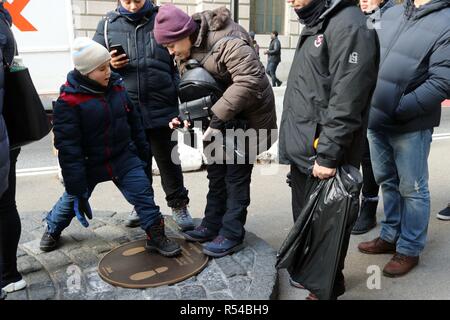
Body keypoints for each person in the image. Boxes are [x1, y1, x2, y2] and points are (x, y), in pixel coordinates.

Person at [153, 5, 277, 258]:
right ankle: (212, 224)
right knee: (216, 174)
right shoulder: (184, 50)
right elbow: (197, 88)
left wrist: (217, 117)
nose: (170, 52)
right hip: (217, 123)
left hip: (246, 121)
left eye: (171, 45)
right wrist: (184, 116)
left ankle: (232, 234)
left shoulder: (229, 40)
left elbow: (249, 80)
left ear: (185, 33)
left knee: (235, 178)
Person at [39, 37, 181, 258]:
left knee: (143, 195)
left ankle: (156, 235)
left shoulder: (117, 86)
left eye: (107, 66)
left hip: (122, 157)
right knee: (71, 200)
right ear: (86, 72)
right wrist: (76, 186)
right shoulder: (69, 101)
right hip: (89, 164)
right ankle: (53, 227)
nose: (108, 71)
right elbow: (68, 148)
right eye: (101, 69)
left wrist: (142, 155)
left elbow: (134, 122)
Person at [279, 0, 379, 299]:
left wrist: (329, 153)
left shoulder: (349, 24)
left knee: (327, 228)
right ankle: (319, 279)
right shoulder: (320, 20)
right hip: (307, 149)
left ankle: (326, 288)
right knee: (309, 222)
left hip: (323, 153)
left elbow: (348, 97)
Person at [358, 0, 450, 277]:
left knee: (412, 188)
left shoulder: (446, 20)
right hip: (375, 120)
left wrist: (396, 109)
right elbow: (368, 56)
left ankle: (409, 248)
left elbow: (441, 81)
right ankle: (389, 235)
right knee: (387, 180)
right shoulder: (393, 12)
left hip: (410, 124)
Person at [93, 0, 194, 232]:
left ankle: (179, 205)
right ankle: (142, 205)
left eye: (137, 0)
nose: (132, 6)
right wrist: (109, 62)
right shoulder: (107, 24)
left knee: (169, 162)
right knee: (137, 164)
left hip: (163, 107)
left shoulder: (162, 19)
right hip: (128, 108)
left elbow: (179, 62)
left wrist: (183, 99)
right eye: (127, 1)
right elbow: (92, 65)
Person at [351, 0, 396, 235]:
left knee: (371, 158)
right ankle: (354, 205)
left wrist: (372, 16)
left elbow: (377, 50)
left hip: (380, 100)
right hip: (356, 96)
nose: (363, 0)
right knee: (357, 153)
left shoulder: (389, 16)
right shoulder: (358, 15)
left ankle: (369, 207)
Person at [0, 0, 27, 294]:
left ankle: (7, 272)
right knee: (6, 204)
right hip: (9, 130)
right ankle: (8, 272)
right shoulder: (3, 21)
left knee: (5, 205)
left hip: (4, 133)